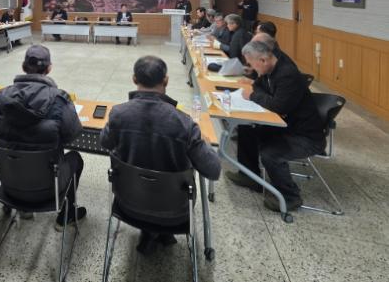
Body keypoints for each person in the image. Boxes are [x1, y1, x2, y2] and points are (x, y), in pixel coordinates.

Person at [100, 56, 220, 254]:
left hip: (128, 204)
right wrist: (203, 143)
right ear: (166, 80)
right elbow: (213, 171)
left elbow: (104, 142)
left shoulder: (118, 114)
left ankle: (151, 233)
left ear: (134, 79)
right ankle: (158, 233)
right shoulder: (185, 124)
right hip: (175, 212)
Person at [0, 45, 86, 229]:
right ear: (49, 68)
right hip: (48, 188)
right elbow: (72, 135)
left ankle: (18, 207)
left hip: (9, 184)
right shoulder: (59, 99)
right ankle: (66, 215)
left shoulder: (1, 96)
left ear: (23, 66)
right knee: (75, 158)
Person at [227, 41, 326, 212]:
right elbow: (258, 87)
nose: (251, 69)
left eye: (252, 64)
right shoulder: (269, 69)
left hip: (306, 136)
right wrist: (260, 94)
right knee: (246, 128)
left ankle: (290, 197)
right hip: (286, 126)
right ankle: (249, 176)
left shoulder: (287, 74)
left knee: (271, 154)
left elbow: (278, 106)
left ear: (263, 60)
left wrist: (254, 96)